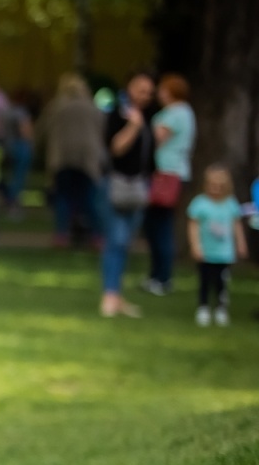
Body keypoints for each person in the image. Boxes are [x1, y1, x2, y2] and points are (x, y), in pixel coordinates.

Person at [99, 72, 157, 318]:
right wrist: (133, 126)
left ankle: (117, 294)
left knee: (125, 243)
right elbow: (116, 148)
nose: (145, 95)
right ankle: (109, 296)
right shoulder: (117, 114)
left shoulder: (151, 117)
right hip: (116, 185)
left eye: (149, 91)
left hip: (139, 186)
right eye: (140, 89)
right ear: (129, 88)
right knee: (116, 240)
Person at [142, 73, 196, 295]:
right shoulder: (187, 113)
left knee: (159, 226)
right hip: (175, 172)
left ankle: (162, 277)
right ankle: (158, 274)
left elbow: (155, 139)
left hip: (167, 174)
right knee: (158, 224)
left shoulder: (175, 114)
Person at [38, 73, 104, 247]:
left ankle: (61, 235)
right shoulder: (92, 108)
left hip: (61, 157)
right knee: (89, 198)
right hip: (87, 158)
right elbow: (103, 130)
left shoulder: (56, 106)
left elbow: (42, 130)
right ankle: (96, 236)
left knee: (63, 197)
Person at [187, 164, 246, 327]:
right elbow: (193, 226)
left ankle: (221, 308)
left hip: (224, 253)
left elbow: (236, 225)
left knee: (222, 282)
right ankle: (203, 308)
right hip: (206, 252)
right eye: (212, 186)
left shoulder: (230, 204)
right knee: (205, 281)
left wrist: (241, 243)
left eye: (220, 187)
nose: (216, 190)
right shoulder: (200, 204)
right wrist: (195, 246)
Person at [2, 90, 35, 218]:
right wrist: (31, 142)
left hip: (9, 146)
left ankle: (10, 201)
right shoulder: (21, 112)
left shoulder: (6, 111)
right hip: (21, 146)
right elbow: (25, 130)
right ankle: (13, 203)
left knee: (13, 176)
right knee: (19, 177)